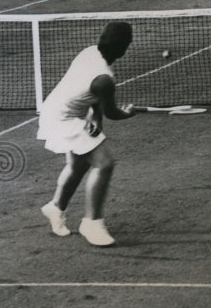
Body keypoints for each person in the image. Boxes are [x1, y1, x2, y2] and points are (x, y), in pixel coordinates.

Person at [37, 21, 137, 246]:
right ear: (123, 47)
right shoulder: (105, 79)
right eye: (128, 42)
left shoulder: (89, 52)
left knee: (79, 164)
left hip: (55, 109)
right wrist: (128, 113)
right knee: (104, 163)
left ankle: (55, 208)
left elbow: (93, 99)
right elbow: (112, 112)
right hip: (62, 119)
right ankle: (92, 223)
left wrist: (95, 117)